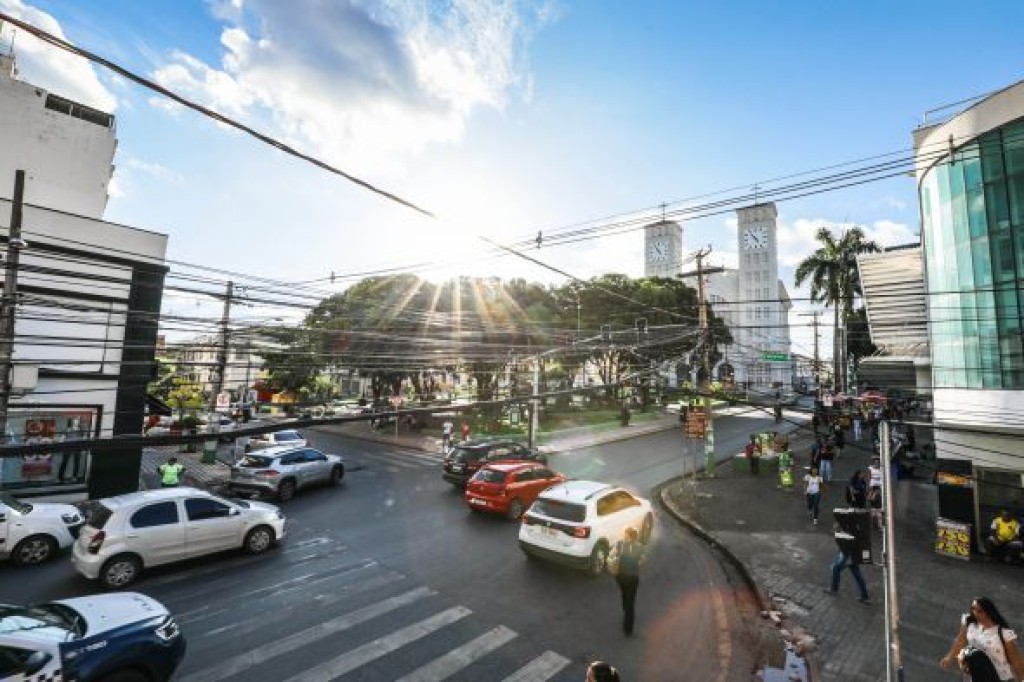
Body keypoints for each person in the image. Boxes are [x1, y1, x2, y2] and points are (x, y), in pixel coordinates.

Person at [941, 597, 1024, 682]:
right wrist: (949, 657)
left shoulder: (1003, 634)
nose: (975, 613)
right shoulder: (969, 622)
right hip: (975, 674)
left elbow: (1016, 660)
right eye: (973, 609)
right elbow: (961, 640)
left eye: (980, 611)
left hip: (999, 677)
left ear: (988, 612)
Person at [608, 526, 646, 635]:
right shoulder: (640, 547)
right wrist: (636, 564)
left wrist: (615, 561)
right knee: (631, 601)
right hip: (633, 577)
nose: (624, 536)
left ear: (627, 535)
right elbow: (643, 561)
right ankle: (628, 629)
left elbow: (611, 555)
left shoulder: (620, 544)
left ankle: (625, 607)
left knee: (624, 593)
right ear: (635, 537)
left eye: (625, 534)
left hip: (620, 577)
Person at [825, 521, 870, 604]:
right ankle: (865, 596)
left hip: (849, 557)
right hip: (853, 556)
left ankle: (834, 590)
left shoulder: (843, 537)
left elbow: (844, 551)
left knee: (836, 569)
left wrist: (839, 561)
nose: (834, 528)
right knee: (858, 575)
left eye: (835, 528)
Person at [868, 457, 884, 529]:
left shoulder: (881, 469)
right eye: (876, 462)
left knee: (877, 513)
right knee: (874, 513)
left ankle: (877, 525)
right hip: (875, 504)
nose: (877, 463)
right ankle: (873, 524)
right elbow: (869, 477)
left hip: (878, 487)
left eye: (878, 462)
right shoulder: (871, 468)